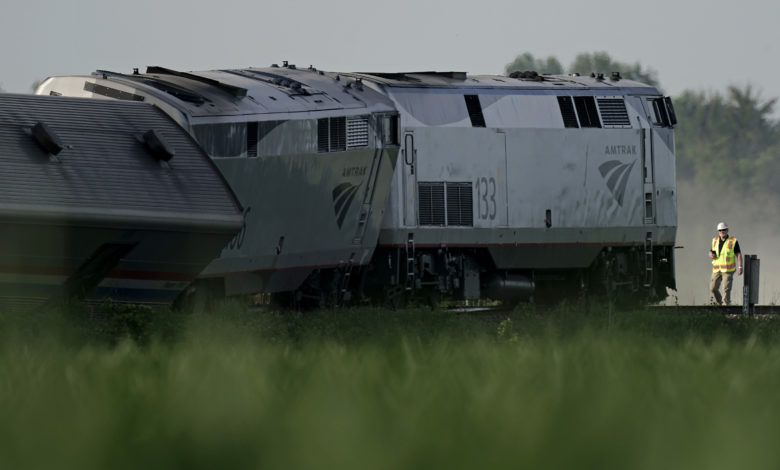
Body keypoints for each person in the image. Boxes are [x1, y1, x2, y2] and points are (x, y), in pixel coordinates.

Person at [708, 222, 743, 306]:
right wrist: (710, 254)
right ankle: (720, 304)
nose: (722, 232)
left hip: (728, 270)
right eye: (720, 230)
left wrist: (740, 267)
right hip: (717, 269)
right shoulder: (715, 241)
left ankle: (725, 308)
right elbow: (711, 251)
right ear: (718, 231)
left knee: (726, 289)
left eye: (723, 230)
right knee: (713, 288)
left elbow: (738, 254)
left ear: (727, 230)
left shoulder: (733, 241)